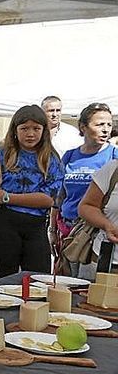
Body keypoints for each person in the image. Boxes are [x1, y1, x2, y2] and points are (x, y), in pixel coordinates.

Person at [0, 105, 63, 278]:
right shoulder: (1, 155)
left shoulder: (51, 159)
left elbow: (48, 199)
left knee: (38, 279)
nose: (30, 134)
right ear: (15, 130)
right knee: (4, 280)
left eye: (36, 128)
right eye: (24, 128)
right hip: (3, 223)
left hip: (35, 225)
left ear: (44, 130)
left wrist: (7, 197)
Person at [52, 103, 116, 277]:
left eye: (109, 125)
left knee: (86, 282)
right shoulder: (70, 156)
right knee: (64, 280)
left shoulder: (113, 157)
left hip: (94, 231)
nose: (105, 130)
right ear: (83, 127)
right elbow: (59, 196)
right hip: (67, 228)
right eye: (99, 124)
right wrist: (52, 229)